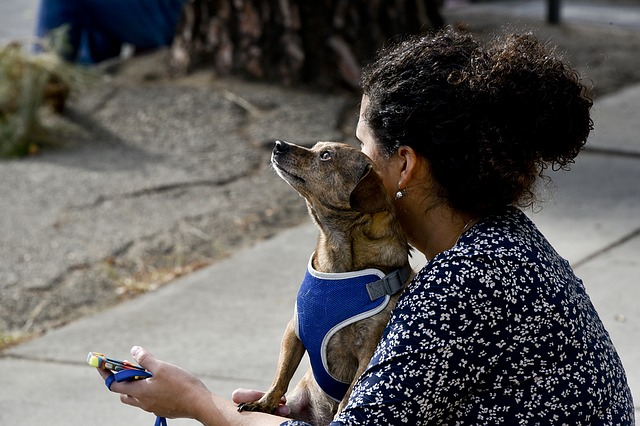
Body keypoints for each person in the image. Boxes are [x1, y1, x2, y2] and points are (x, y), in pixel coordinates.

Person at [96, 28, 635, 424]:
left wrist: (195, 402)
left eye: (361, 146)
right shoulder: (506, 245)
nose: (355, 155)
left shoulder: (461, 289)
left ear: (404, 165)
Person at [35, 0, 186, 64]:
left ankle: (44, 77)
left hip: (176, 15)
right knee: (89, 13)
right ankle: (89, 72)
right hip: (175, 14)